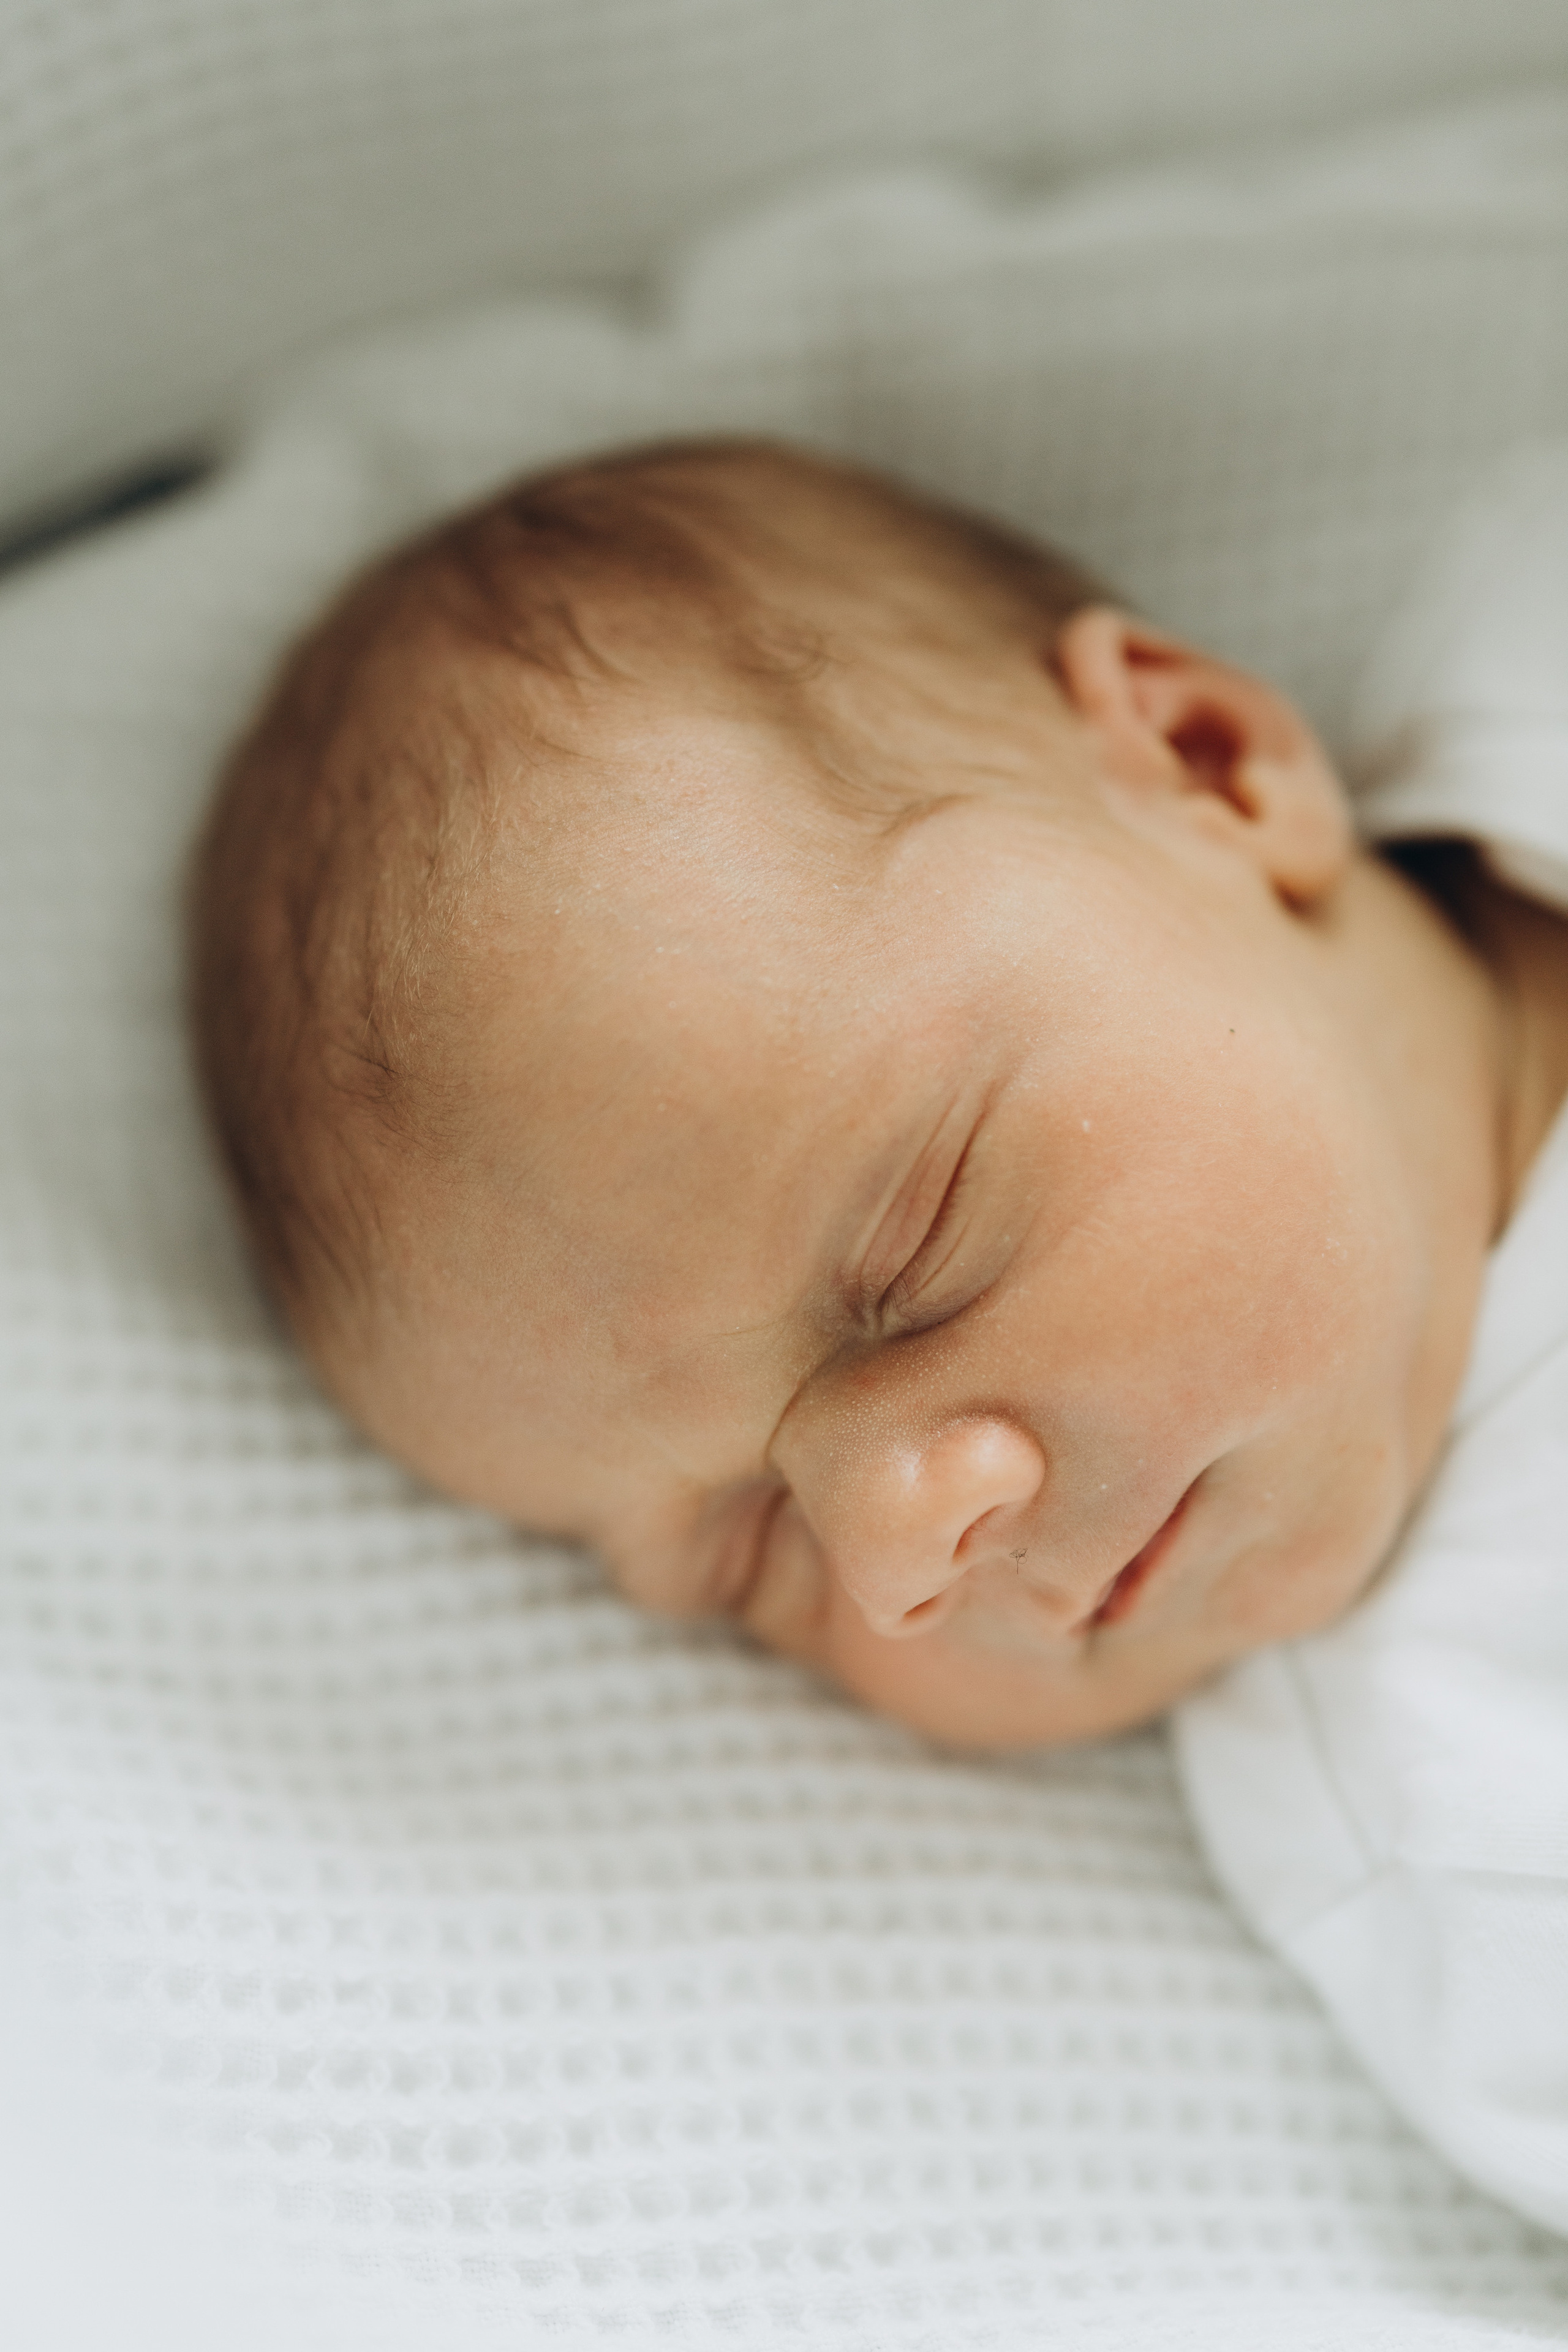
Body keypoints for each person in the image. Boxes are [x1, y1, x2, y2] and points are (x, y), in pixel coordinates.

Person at [188, 437, 1568, 2230]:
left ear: (1208, 766)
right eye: (759, 1547)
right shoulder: (1453, 1817)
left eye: (921, 1253)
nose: (911, 1547)